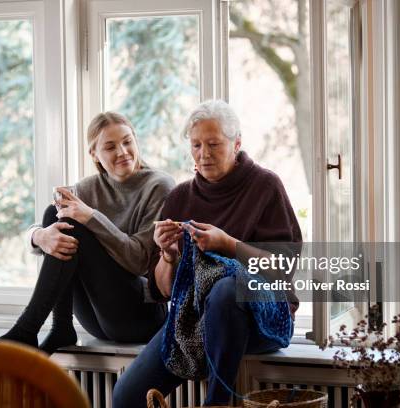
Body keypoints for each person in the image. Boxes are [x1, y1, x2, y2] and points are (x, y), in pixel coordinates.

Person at [112, 100, 302, 407]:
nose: (204, 153)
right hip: (193, 318)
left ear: (237, 143)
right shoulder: (180, 197)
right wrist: (168, 255)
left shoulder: (265, 186)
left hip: (263, 319)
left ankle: (216, 403)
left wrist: (228, 244)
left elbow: (282, 268)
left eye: (214, 144)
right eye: (196, 144)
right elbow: (162, 290)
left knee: (227, 289)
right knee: (125, 397)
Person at [0, 112, 175, 353]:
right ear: (94, 154)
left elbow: (138, 260)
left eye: (127, 141)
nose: (122, 152)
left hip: (140, 314)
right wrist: (37, 236)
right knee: (55, 212)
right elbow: (49, 228)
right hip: (96, 318)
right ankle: (61, 327)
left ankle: (27, 329)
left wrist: (91, 217)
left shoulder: (159, 186)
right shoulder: (88, 188)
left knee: (72, 217)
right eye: (110, 147)